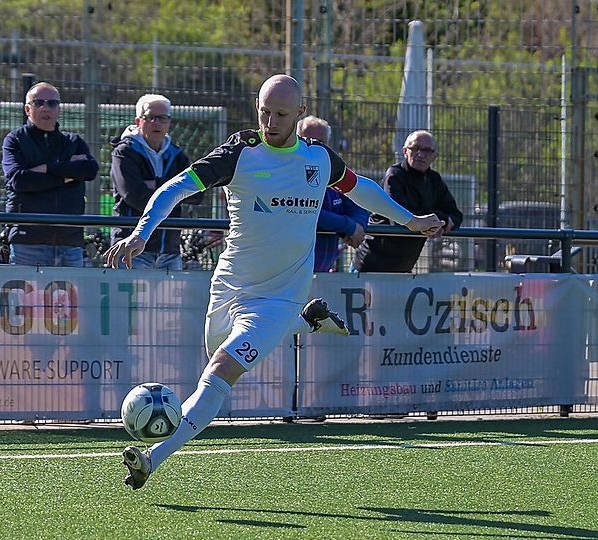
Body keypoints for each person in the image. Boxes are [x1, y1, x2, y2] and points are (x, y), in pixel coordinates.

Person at [105, 74, 445, 490]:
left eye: (281, 114)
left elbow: (364, 190)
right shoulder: (240, 152)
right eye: (264, 111)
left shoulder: (319, 159)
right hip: (229, 286)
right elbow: (176, 187)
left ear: (299, 114)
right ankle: (310, 321)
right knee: (214, 356)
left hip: (279, 296)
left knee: (219, 372)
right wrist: (142, 233)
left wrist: (411, 221)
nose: (270, 121)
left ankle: (152, 458)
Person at [1, 82, 99, 267]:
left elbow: (89, 170)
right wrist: (67, 174)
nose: (46, 108)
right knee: (28, 295)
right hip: (28, 242)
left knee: (71, 296)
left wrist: (46, 168)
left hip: (70, 242)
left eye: (52, 103)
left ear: (59, 109)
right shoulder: (15, 140)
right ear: (27, 109)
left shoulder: (73, 141)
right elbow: (19, 180)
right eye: (39, 103)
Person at [110, 94, 203, 270]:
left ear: (169, 122)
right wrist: (175, 191)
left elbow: (198, 194)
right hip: (131, 249)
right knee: (131, 298)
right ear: (138, 121)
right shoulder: (124, 152)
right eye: (150, 117)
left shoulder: (177, 155)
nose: (157, 123)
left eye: (162, 118)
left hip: (169, 250)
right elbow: (136, 197)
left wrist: (157, 184)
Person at [352, 130, 463, 273]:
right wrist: (436, 220)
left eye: (427, 150)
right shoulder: (394, 176)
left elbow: (456, 215)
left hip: (403, 268)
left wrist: (440, 223)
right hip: (370, 265)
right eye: (415, 148)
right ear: (405, 151)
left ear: (434, 156)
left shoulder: (434, 180)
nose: (420, 154)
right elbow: (401, 217)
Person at [297, 116, 369, 272]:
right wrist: (348, 226)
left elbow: (358, 202)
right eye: (308, 141)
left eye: (320, 142)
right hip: (292, 274)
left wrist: (358, 226)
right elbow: (309, 212)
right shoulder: (290, 173)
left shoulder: (332, 171)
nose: (314, 147)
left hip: (323, 273)